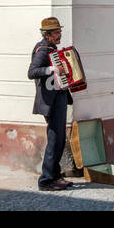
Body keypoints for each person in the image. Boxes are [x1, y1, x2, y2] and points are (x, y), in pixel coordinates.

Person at [28, 16, 73, 191]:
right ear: (47, 35)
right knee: (55, 139)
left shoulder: (52, 49)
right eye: (56, 32)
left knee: (59, 139)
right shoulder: (43, 49)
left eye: (59, 31)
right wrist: (53, 69)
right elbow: (32, 72)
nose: (59, 34)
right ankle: (46, 180)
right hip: (51, 101)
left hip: (58, 97)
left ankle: (55, 175)